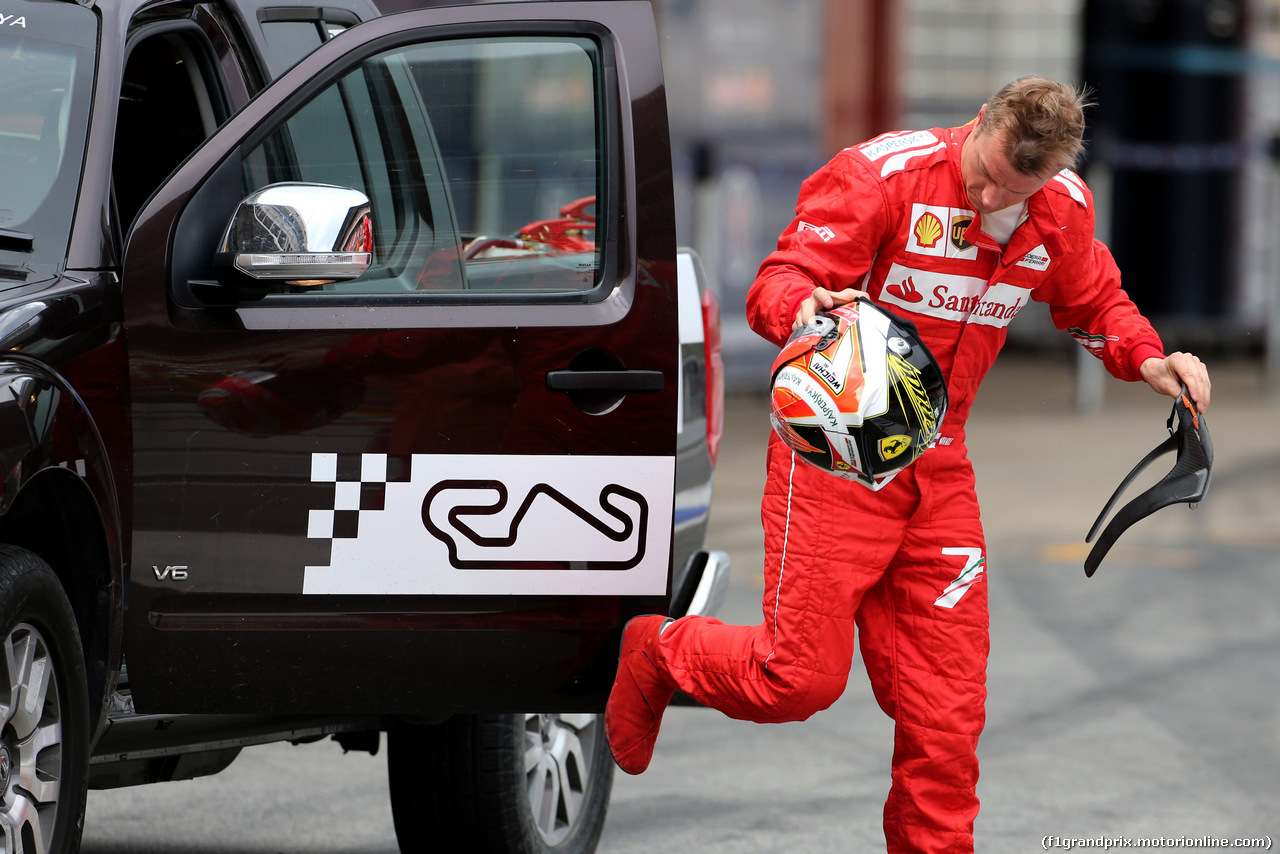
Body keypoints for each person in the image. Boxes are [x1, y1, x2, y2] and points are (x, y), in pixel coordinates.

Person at [604, 77, 1212, 853]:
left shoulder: (1061, 209)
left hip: (940, 468)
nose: (988, 193)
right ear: (981, 122)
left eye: (1010, 189)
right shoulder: (880, 176)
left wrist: (1150, 358)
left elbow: (1094, 303)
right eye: (984, 169)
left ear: (1050, 176)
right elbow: (774, 284)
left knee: (945, 713)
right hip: (835, 462)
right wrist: (804, 309)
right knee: (797, 682)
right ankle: (660, 650)